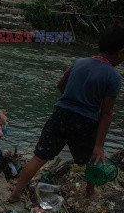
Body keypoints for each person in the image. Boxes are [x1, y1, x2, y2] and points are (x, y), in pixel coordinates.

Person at [8, 25, 124, 203]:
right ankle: (90, 192)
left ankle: (15, 193)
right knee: (91, 159)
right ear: (119, 53)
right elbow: (107, 113)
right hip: (85, 121)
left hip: (60, 113)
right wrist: (99, 145)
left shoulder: (79, 62)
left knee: (39, 157)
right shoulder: (114, 77)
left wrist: (71, 98)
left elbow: (60, 84)